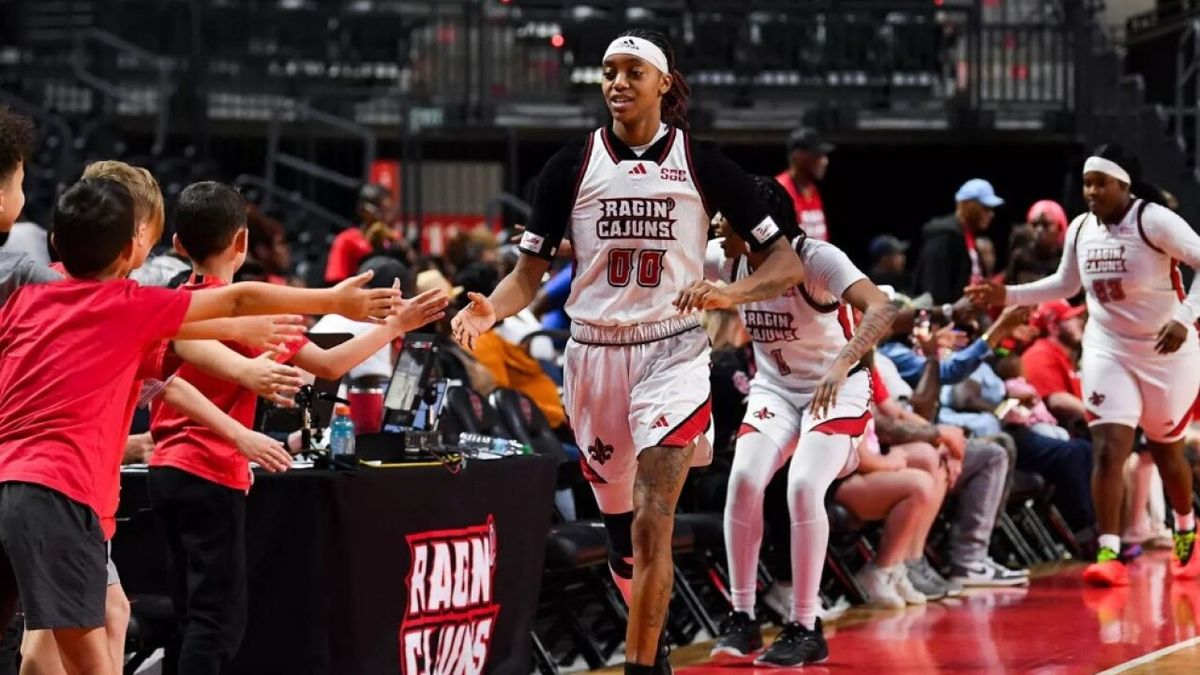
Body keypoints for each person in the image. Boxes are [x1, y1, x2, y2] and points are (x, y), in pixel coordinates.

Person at [450, 28, 805, 673]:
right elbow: (528, 275)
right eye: (608, 71)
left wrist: (733, 294)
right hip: (593, 357)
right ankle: (655, 645)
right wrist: (491, 308)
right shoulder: (570, 165)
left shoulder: (703, 163)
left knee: (652, 517)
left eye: (632, 71)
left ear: (662, 84)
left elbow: (785, 262)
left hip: (672, 353)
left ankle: (640, 667)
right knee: (622, 539)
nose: (616, 82)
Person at [0, 177, 400, 675]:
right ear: (131, 248)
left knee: (60, 639)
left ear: (56, 241)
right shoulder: (129, 305)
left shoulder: (25, 295)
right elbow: (236, 302)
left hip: (14, 484)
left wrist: (238, 338)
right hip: (64, 493)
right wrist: (335, 302)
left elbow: (183, 355)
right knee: (100, 657)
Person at [148, 182, 447, 675]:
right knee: (217, 624)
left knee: (191, 618)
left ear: (177, 244)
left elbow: (160, 386)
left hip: (164, 471)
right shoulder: (249, 311)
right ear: (242, 243)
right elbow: (329, 366)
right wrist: (395, 326)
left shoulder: (175, 306)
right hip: (210, 471)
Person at [967, 144, 1200, 586]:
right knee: (1109, 448)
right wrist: (1008, 295)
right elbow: (1066, 284)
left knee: (1167, 451)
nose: (1090, 191)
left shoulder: (1153, 220)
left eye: (1100, 183)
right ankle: (1108, 551)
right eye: (1087, 183)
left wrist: (1185, 319)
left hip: (1167, 349)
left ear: (1123, 185)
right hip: (1108, 348)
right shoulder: (1079, 228)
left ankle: (1187, 530)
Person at [706, 176, 897, 665]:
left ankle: (806, 624)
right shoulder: (725, 256)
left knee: (803, 485)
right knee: (744, 478)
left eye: (726, 215)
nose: (716, 222)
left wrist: (844, 360)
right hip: (775, 387)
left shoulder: (818, 259)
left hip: (837, 386)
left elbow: (882, 306)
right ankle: (743, 615)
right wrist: (560, 243)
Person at [912, 178, 1004, 304]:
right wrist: (946, 315)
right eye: (985, 208)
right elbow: (935, 289)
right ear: (966, 205)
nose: (991, 214)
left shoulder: (967, 237)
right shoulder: (944, 236)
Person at [324, 183, 395, 285]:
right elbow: (335, 281)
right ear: (364, 210)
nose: (385, 217)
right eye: (381, 211)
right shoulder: (346, 240)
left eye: (388, 211)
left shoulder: (394, 237)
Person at [775, 127, 832, 242]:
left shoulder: (812, 189)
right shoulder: (779, 190)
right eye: (818, 155)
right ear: (798, 156)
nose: (825, 161)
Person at [1007, 200, 1068, 284]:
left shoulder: (1065, 258)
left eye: (1046, 225)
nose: (1039, 230)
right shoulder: (1020, 257)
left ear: (1059, 228)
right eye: (1034, 224)